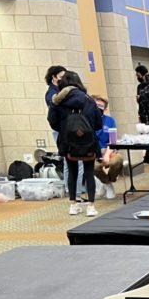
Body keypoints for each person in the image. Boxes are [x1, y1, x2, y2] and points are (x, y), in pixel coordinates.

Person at [48, 71, 102, 217]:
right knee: (89, 173)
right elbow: (98, 123)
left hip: (68, 143)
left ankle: (73, 205)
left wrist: (65, 129)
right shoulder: (88, 100)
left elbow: (52, 122)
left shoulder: (58, 101)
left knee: (72, 173)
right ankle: (91, 206)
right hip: (88, 142)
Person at [91, 94, 123, 200]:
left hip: (108, 150)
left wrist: (107, 155)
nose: (98, 108)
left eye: (101, 105)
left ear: (105, 108)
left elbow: (112, 141)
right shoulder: (87, 120)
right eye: (96, 105)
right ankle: (107, 184)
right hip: (93, 152)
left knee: (117, 161)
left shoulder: (110, 121)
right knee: (94, 166)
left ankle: (110, 179)